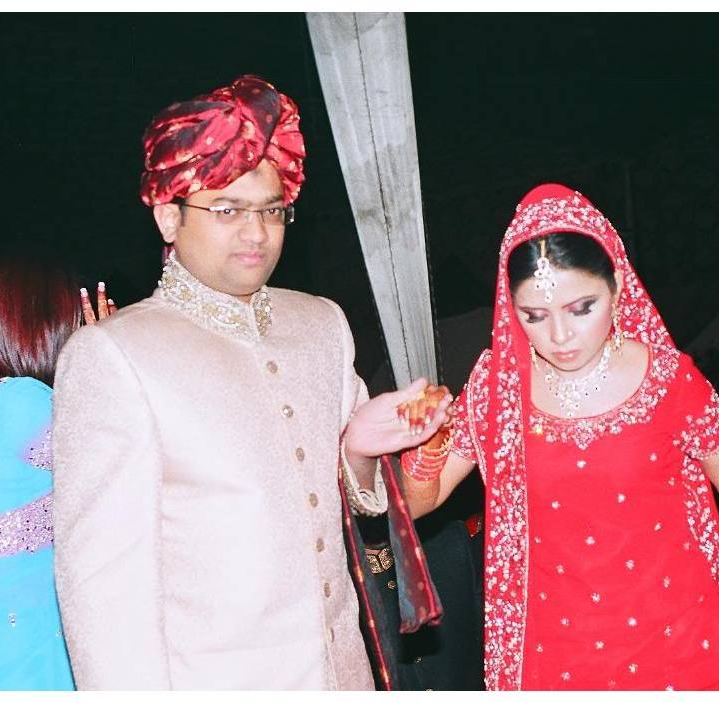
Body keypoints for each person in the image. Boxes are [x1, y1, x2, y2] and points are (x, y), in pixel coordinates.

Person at [51, 75, 448, 690]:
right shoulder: (114, 355)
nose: (257, 232)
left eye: (271, 210)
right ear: (168, 217)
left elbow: (338, 504)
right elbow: (103, 590)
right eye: (228, 210)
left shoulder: (320, 325)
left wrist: (359, 450)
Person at [399, 183, 719, 690]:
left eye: (581, 307)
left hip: (683, 640)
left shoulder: (669, 380)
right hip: (557, 655)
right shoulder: (497, 390)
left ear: (617, 288)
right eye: (534, 316)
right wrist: (427, 445)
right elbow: (417, 505)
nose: (560, 336)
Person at [0, 235, 113, 690]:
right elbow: (131, 467)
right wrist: (111, 360)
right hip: (31, 654)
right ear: (38, 316)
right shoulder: (23, 402)